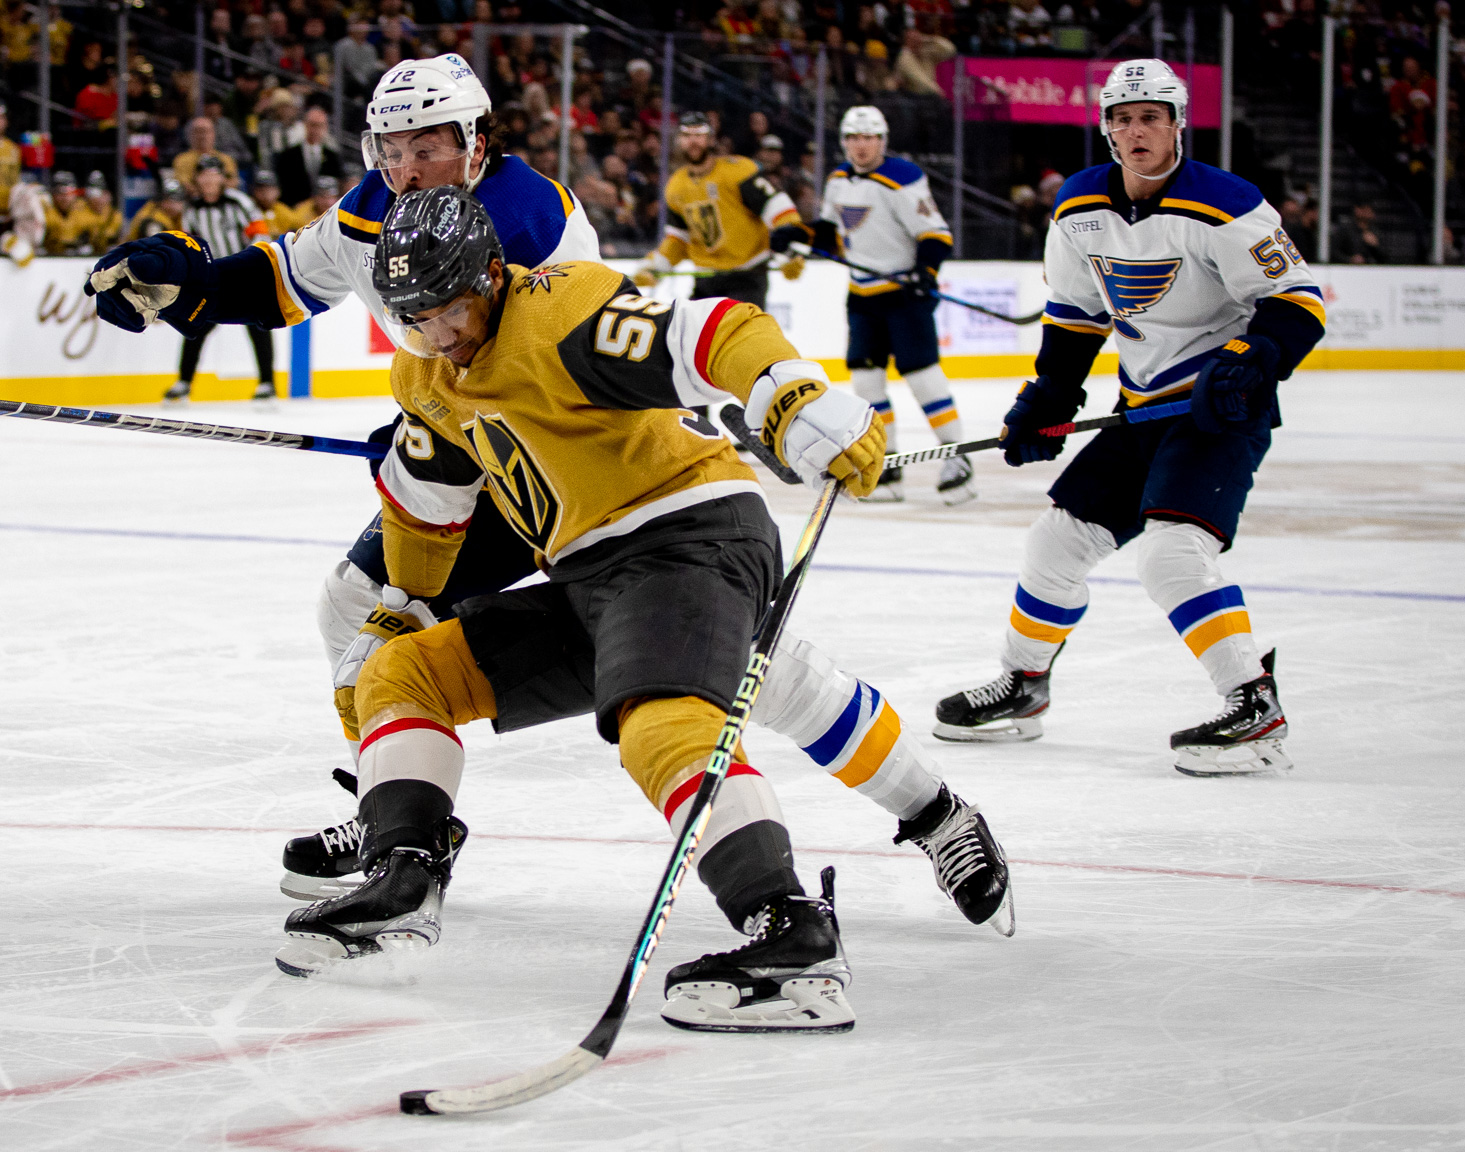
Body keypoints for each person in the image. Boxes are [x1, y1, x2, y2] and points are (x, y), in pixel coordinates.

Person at [83, 56, 1010, 932]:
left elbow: (619, 347)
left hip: (589, 472)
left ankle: (924, 816)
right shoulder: (377, 210)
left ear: (476, 140)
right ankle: (399, 816)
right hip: (511, 475)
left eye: (427, 146)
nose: (407, 168)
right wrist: (190, 288)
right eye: (391, 149)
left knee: (730, 671)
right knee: (369, 613)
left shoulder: (533, 223)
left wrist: (773, 394)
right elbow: (289, 280)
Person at [278, 187, 994, 1028]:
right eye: (415, 318)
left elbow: (714, 328)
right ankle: (403, 877)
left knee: (665, 721)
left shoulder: (561, 311)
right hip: (592, 579)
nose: (439, 335)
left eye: (451, 310)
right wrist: (399, 604)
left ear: (492, 274)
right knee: (402, 672)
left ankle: (790, 927)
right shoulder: (424, 372)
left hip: (689, 535)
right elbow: (427, 507)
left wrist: (791, 392)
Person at [933, 60, 1325, 778]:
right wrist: (1049, 398)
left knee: (1172, 554)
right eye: (1122, 118)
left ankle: (1254, 704)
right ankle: (1024, 685)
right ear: (1106, 128)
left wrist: (1251, 358)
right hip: (1141, 409)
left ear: (1178, 124)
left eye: (1151, 117)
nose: (1135, 130)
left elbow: (1299, 302)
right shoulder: (1079, 206)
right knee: (1055, 543)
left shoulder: (1228, 203)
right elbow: (1075, 314)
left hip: (1219, 410)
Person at [815, 105, 971, 505]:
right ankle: (887, 464)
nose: (861, 146)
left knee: (922, 376)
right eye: (853, 138)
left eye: (869, 138)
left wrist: (926, 272)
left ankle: (957, 457)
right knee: (866, 381)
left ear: (882, 141)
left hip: (903, 295)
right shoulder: (838, 181)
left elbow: (936, 234)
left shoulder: (903, 178)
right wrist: (797, 235)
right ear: (844, 142)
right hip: (862, 296)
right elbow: (830, 233)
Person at [632, 113, 807, 312]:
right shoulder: (676, 187)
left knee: (739, 332)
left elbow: (778, 208)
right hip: (706, 281)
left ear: (711, 138)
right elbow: (679, 239)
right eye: (687, 135)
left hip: (746, 277)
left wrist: (788, 251)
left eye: (699, 135)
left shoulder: (738, 172)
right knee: (689, 331)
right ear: (679, 140)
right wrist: (654, 266)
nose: (693, 141)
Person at [169, 155, 275, 402]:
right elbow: (189, 244)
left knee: (258, 326)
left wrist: (249, 263)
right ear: (197, 179)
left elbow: (261, 234)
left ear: (222, 178)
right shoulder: (192, 209)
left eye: (213, 174)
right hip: (213, 279)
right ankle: (184, 381)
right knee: (194, 326)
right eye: (204, 175)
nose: (208, 180)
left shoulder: (240, 202)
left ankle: (267, 383)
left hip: (245, 275)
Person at [272, 106, 345, 205]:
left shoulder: (332, 157)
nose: (315, 130)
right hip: (295, 208)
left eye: (320, 126)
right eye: (313, 125)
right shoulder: (289, 155)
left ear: (325, 127)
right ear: (305, 125)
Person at [169, 116, 239, 187]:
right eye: (197, 131)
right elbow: (182, 184)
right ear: (189, 135)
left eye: (206, 131)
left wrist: (215, 184)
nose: (202, 136)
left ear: (214, 134)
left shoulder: (226, 159)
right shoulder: (181, 160)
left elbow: (233, 183)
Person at [67, 171, 122, 254]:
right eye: (93, 196)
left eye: (101, 195)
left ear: (108, 196)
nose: (98, 200)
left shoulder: (114, 215)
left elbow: (115, 239)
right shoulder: (78, 211)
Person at [248, 169, 308, 236]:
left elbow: (300, 229)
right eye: (261, 190)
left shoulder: (283, 211)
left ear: (278, 191)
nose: (265, 194)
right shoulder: (248, 211)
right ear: (253, 192)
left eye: (269, 189)